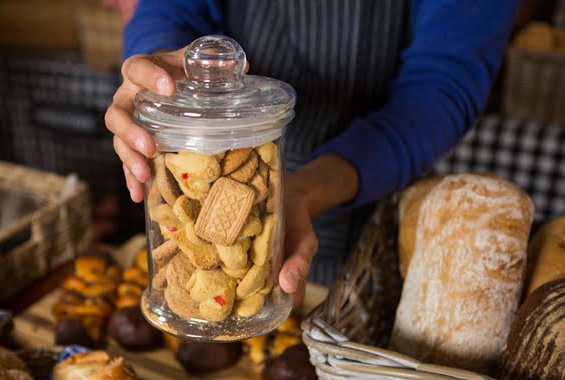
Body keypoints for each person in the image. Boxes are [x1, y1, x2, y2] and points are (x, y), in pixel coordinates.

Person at [105, 0, 521, 305]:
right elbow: (173, 9)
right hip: (211, 169)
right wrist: (160, 73)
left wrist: (303, 192)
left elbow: (442, 84)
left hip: (372, 198)